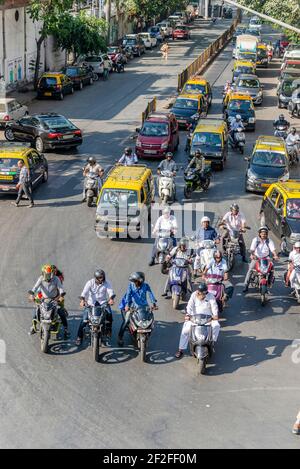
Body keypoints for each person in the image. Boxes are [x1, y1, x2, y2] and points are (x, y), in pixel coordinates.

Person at [175, 282, 220, 359]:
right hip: (194, 319)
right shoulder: (193, 295)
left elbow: (214, 306)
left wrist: (215, 315)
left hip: (207, 319)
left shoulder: (211, 296)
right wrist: (187, 314)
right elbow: (189, 306)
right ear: (198, 291)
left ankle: (212, 342)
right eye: (200, 293)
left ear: (206, 292)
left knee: (216, 325)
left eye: (203, 293)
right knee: (185, 330)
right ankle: (180, 349)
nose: (201, 295)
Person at [29, 264, 69, 338]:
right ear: (43, 273)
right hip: (43, 299)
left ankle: (66, 329)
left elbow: (61, 289)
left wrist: (61, 296)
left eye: (50, 274)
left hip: (55, 299)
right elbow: (35, 288)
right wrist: (32, 295)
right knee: (36, 310)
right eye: (46, 274)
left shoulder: (56, 278)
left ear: (52, 273)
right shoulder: (40, 278)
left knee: (61, 312)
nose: (48, 276)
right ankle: (33, 327)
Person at [76, 270, 115, 346]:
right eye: (100, 278)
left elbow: (111, 292)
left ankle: (109, 329)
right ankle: (79, 337)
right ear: (96, 278)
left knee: (109, 314)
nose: (102, 279)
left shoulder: (107, 283)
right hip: (91, 304)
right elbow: (84, 293)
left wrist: (111, 299)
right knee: (84, 320)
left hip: (103, 303)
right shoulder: (90, 282)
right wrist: (82, 300)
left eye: (102, 277)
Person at [118, 272, 157, 346]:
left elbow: (150, 294)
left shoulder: (146, 286)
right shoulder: (131, 286)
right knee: (126, 321)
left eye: (135, 281)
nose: (134, 283)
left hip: (143, 306)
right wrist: (127, 305)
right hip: (131, 306)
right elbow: (128, 295)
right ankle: (120, 337)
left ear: (140, 281)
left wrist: (154, 303)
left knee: (150, 317)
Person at [243, 227, 279, 293]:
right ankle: (246, 285)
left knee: (271, 268)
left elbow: (273, 250)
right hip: (256, 257)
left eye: (265, 234)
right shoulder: (255, 240)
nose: (264, 235)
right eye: (262, 234)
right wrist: (252, 254)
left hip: (266, 258)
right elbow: (252, 249)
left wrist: (275, 255)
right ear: (259, 234)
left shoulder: (269, 241)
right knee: (250, 269)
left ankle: (269, 283)